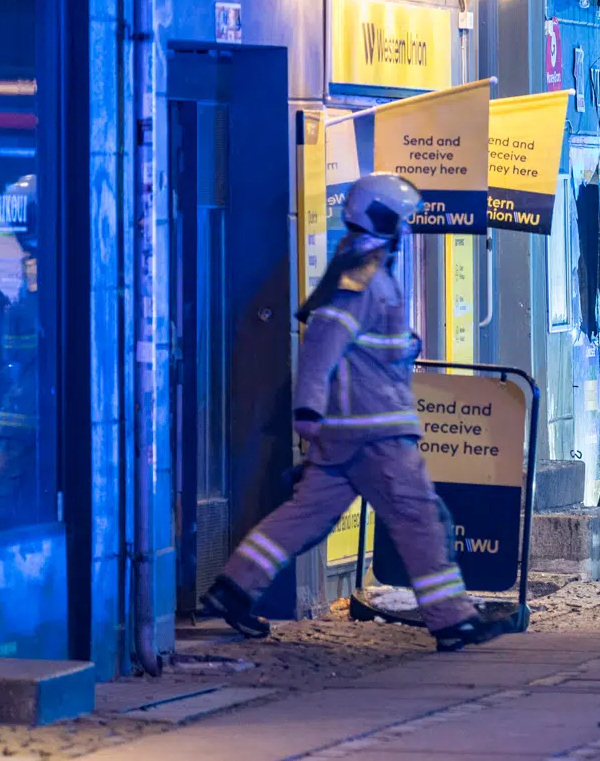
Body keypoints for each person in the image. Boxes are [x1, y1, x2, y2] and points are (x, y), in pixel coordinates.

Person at [200, 172, 512, 651]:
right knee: (419, 518)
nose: (407, 231)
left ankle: (233, 588)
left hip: (347, 432)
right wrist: (307, 406)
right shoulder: (365, 279)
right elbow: (323, 340)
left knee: (304, 515)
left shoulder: (360, 266)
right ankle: (453, 621)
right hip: (375, 431)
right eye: (402, 221)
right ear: (381, 219)